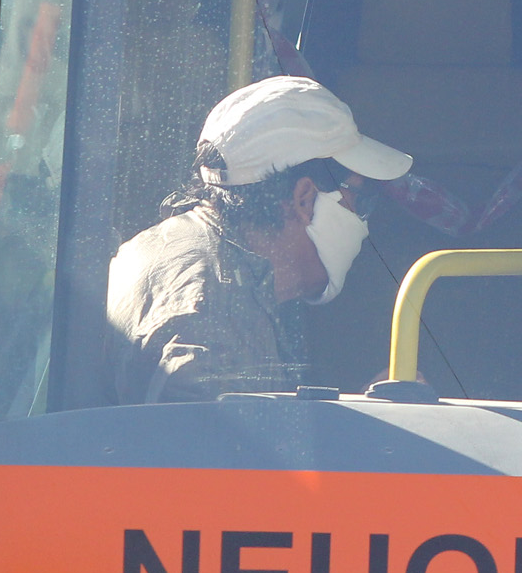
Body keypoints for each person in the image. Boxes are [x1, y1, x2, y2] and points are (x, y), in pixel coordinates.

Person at [108, 76, 413, 402]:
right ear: (304, 200)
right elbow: (225, 449)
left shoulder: (198, 256)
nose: (364, 221)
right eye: (361, 199)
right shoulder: (210, 316)